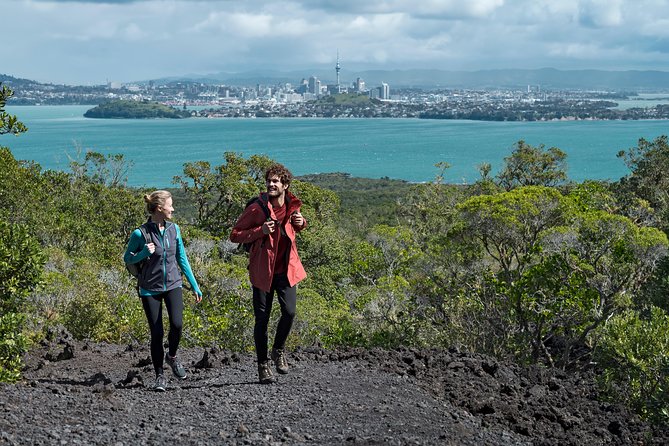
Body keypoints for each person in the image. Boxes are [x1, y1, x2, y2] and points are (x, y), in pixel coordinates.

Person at [230, 163, 307, 384]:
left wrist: (302, 224)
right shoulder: (257, 208)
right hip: (263, 271)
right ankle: (263, 365)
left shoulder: (293, 206)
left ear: (286, 185)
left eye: (276, 181)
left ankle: (278, 350)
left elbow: (295, 228)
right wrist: (260, 231)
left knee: (289, 312)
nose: (271, 184)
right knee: (261, 320)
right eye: (269, 181)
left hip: (286, 270)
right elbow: (235, 235)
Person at [123, 190, 203, 391]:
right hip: (150, 288)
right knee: (156, 333)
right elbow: (127, 258)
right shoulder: (140, 233)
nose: (173, 208)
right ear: (160, 208)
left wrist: (194, 285)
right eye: (170, 205)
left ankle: (172, 357)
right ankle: (160, 376)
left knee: (177, 325)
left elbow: (182, 259)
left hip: (173, 284)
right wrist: (142, 253)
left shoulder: (174, 229)